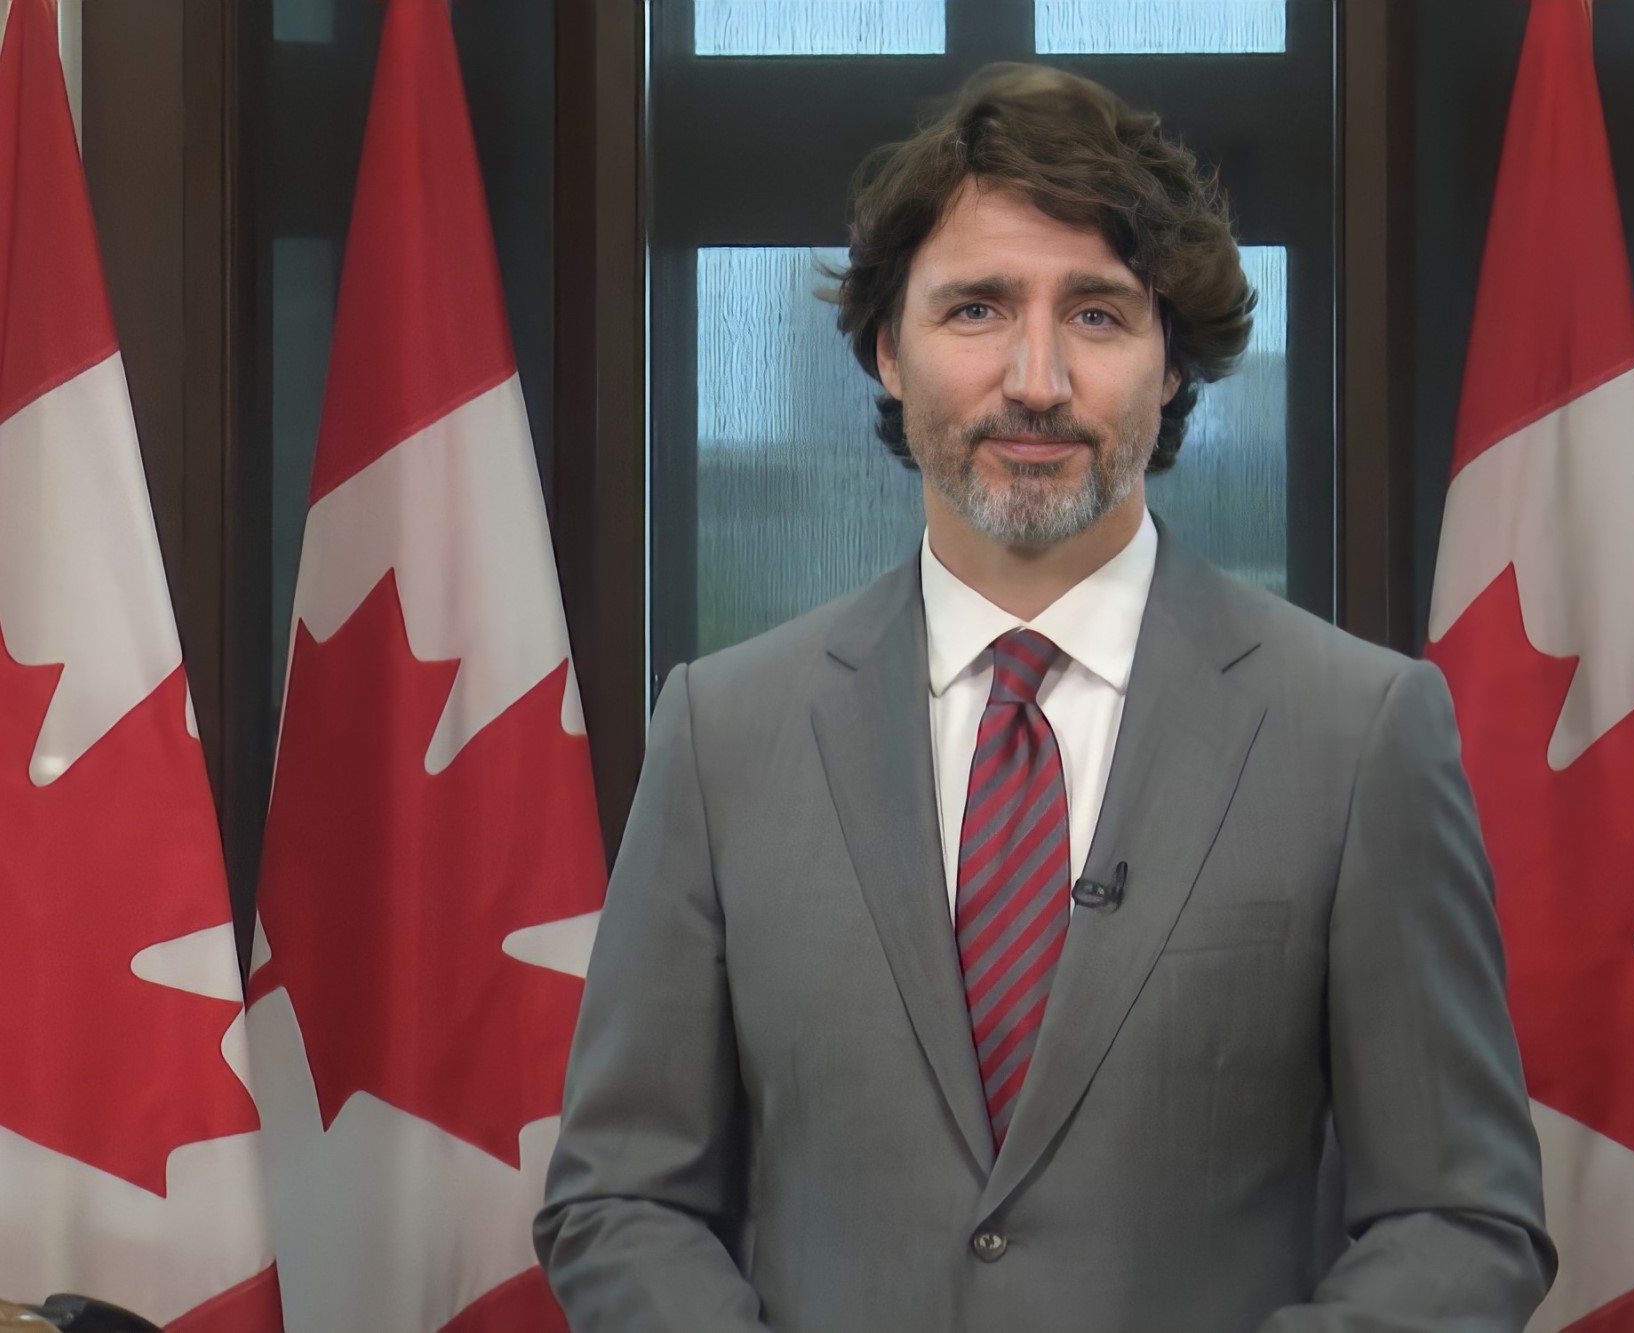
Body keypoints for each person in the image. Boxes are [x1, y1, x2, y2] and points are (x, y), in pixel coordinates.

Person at [536, 62, 1553, 1333]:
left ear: (1171, 361)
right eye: (975, 309)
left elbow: (1463, 1221)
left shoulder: (1359, 733)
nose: (1035, 378)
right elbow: (618, 1198)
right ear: (885, 351)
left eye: (1097, 315)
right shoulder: (720, 735)